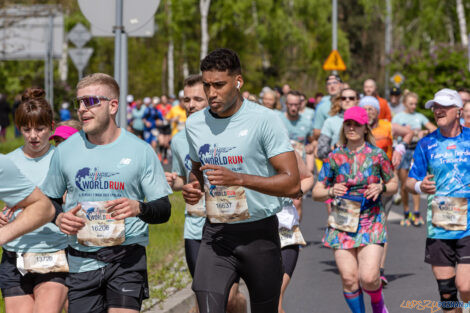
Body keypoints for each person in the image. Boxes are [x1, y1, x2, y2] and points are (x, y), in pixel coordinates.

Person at [41, 73, 172, 313]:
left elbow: (164, 209)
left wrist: (139, 208)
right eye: (79, 102)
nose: (82, 109)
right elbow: (48, 200)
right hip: (82, 261)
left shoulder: (140, 151)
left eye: (90, 102)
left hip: (126, 260)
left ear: (113, 106)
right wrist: (59, 217)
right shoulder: (65, 151)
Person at [182, 48, 301, 313]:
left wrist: (239, 179)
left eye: (219, 85)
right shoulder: (194, 124)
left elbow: (293, 183)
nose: (211, 93)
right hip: (217, 233)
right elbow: (197, 170)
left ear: (238, 81)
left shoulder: (265, 120)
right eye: (207, 85)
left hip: (259, 234)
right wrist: (193, 187)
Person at [166, 74, 247, 313]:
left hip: (228, 224)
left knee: (230, 299)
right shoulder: (179, 140)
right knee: (205, 298)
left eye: (197, 99)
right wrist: (175, 182)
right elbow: (186, 179)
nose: (190, 105)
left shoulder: (230, 133)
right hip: (195, 227)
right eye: (186, 99)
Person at [313, 106, 398, 313]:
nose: (352, 128)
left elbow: (394, 183)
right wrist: (331, 190)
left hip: (371, 220)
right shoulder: (334, 156)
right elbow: (317, 191)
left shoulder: (377, 155)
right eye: (348, 123)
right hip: (343, 222)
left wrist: (382, 187)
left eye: (356, 124)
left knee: (368, 277)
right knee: (349, 279)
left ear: (365, 128)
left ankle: (378, 304)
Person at [0, 88, 69, 313]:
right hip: (15, 256)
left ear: (51, 126)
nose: (33, 136)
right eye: (26, 129)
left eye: (40, 129)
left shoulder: (62, 160)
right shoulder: (8, 162)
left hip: (53, 252)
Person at [405, 88, 469, 313]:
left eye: (444, 106)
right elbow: (410, 181)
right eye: (435, 107)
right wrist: (419, 186)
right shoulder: (426, 144)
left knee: (465, 285)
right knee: (447, 292)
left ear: (458, 111)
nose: (438, 111)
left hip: (468, 225)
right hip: (439, 226)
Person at [392, 91, 436, 227]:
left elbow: (434, 129)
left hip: (416, 151)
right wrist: (405, 132)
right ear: (405, 103)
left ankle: (416, 213)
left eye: (415, 104)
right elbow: (392, 134)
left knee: (416, 181)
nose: (413, 106)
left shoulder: (419, 116)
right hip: (403, 151)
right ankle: (406, 212)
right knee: (405, 184)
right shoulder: (398, 117)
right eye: (411, 104)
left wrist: (424, 133)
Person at [0, 155, 55, 245]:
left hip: (53, 244)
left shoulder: (3, 164)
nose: (33, 139)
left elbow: (43, 206)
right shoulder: (10, 157)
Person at [277, 90, 314, 221]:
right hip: (279, 166)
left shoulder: (307, 123)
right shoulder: (277, 119)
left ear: (301, 104)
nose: (293, 107)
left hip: (299, 168)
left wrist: (311, 146)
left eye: (296, 105)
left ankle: (295, 230)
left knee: (296, 202)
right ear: (285, 104)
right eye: (290, 104)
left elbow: (312, 140)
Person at [317, 88, 359, 160]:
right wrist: (336, 147)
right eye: (343, 98)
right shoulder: (330, 122)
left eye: (351, 98)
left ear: (357, 101)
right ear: (340, 101)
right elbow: (321, 151)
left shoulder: (363, 122)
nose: (347, 100)